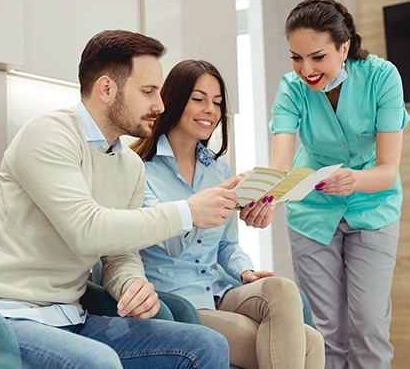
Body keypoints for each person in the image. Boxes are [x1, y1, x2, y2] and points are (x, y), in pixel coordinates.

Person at [0, 30, 241, 369]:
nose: (160, 106)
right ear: (107, 89)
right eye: (148, 92)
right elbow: (87, 229)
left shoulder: (129, 165)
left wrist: (132, 284)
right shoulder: (48, 135)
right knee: (99, 361)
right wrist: (188, 212)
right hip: (8, 317)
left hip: (74, 316)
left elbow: (119, 254)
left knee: (206, 345)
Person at [132, 59, 325, 369]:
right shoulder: (139, 170)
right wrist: (207, 203)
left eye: (217, 102)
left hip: (219, 291)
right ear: (174, 100)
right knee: (308, 344)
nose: (210, 109)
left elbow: (227, 245)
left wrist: (246, 272)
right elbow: (170, 243)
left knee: (283, 290)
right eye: (199, 99)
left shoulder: (217, 167)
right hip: (180, 302)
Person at [269, 0, 410, 369]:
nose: (306, 70)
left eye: (317, 57)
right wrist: (265, 197)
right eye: (296, 58)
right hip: (312, 213)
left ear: (343, 46)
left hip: (372, 207)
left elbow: (387, 171)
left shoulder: (382, 78)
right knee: (324, 332)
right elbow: (280, 165)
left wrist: (352, 180)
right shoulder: (291, 88)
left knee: (368, 327)